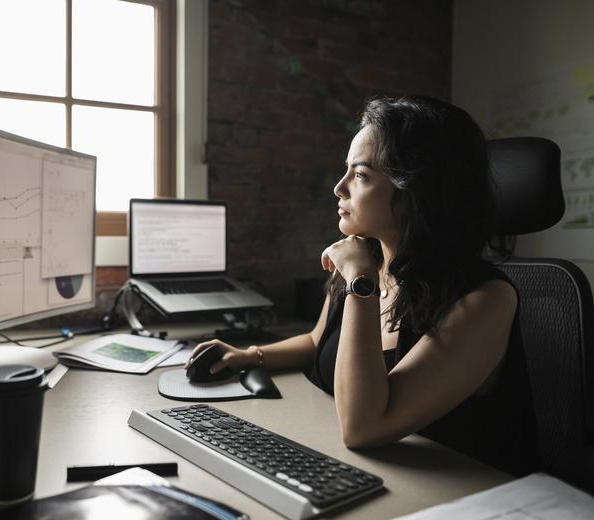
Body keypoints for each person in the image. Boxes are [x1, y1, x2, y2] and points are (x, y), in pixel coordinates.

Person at [185, 95, 539, 476]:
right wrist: (249, 355)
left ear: (419, 192)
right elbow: (316, 342)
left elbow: (364, 427)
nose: (339, 188)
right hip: (355, 470)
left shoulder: (484, 299)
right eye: (347, 170)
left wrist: (361, 282)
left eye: (362, 175)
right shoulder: (366, 261)